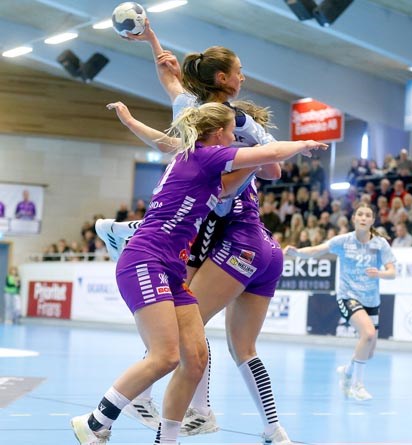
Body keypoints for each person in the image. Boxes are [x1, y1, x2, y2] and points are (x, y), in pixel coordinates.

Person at [97, 21, 305, 443]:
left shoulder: (206, 129)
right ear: (224, 79)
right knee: (236, 345)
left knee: (183, 325)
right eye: (239, 71)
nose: (245, 76)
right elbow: (174, 88)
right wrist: (152, 40)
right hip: (259, 241)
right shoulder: (219, 125)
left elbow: (173, 98)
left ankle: (188, 410)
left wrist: (152, 43)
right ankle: (274, 429)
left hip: (231, 235)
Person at [72, 101, 325, 445]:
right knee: (166, 356)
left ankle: (167, 439)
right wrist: (302, 143)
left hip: (172, 267)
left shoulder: (198, 161)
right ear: (219, 133)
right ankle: (95, 422)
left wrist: (131, 121)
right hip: (147, 260)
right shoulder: (208, 156)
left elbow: (236, 175)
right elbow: (271, 154)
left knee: (194, 360)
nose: (234, 138)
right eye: (231, 132)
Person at [284, 203, 396, 401]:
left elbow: (392, 272)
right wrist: (297, 252)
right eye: (360, 214)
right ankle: (357, 385)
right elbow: (317, 250)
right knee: (368, 334)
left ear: (372, 220)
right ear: (354, 219)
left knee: (368, 352)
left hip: (371, 300)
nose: (363, 218)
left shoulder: (380, 244)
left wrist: (380, 273)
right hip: (348, 296)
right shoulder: (343, 241)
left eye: (368, 215)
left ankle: (347, 371)